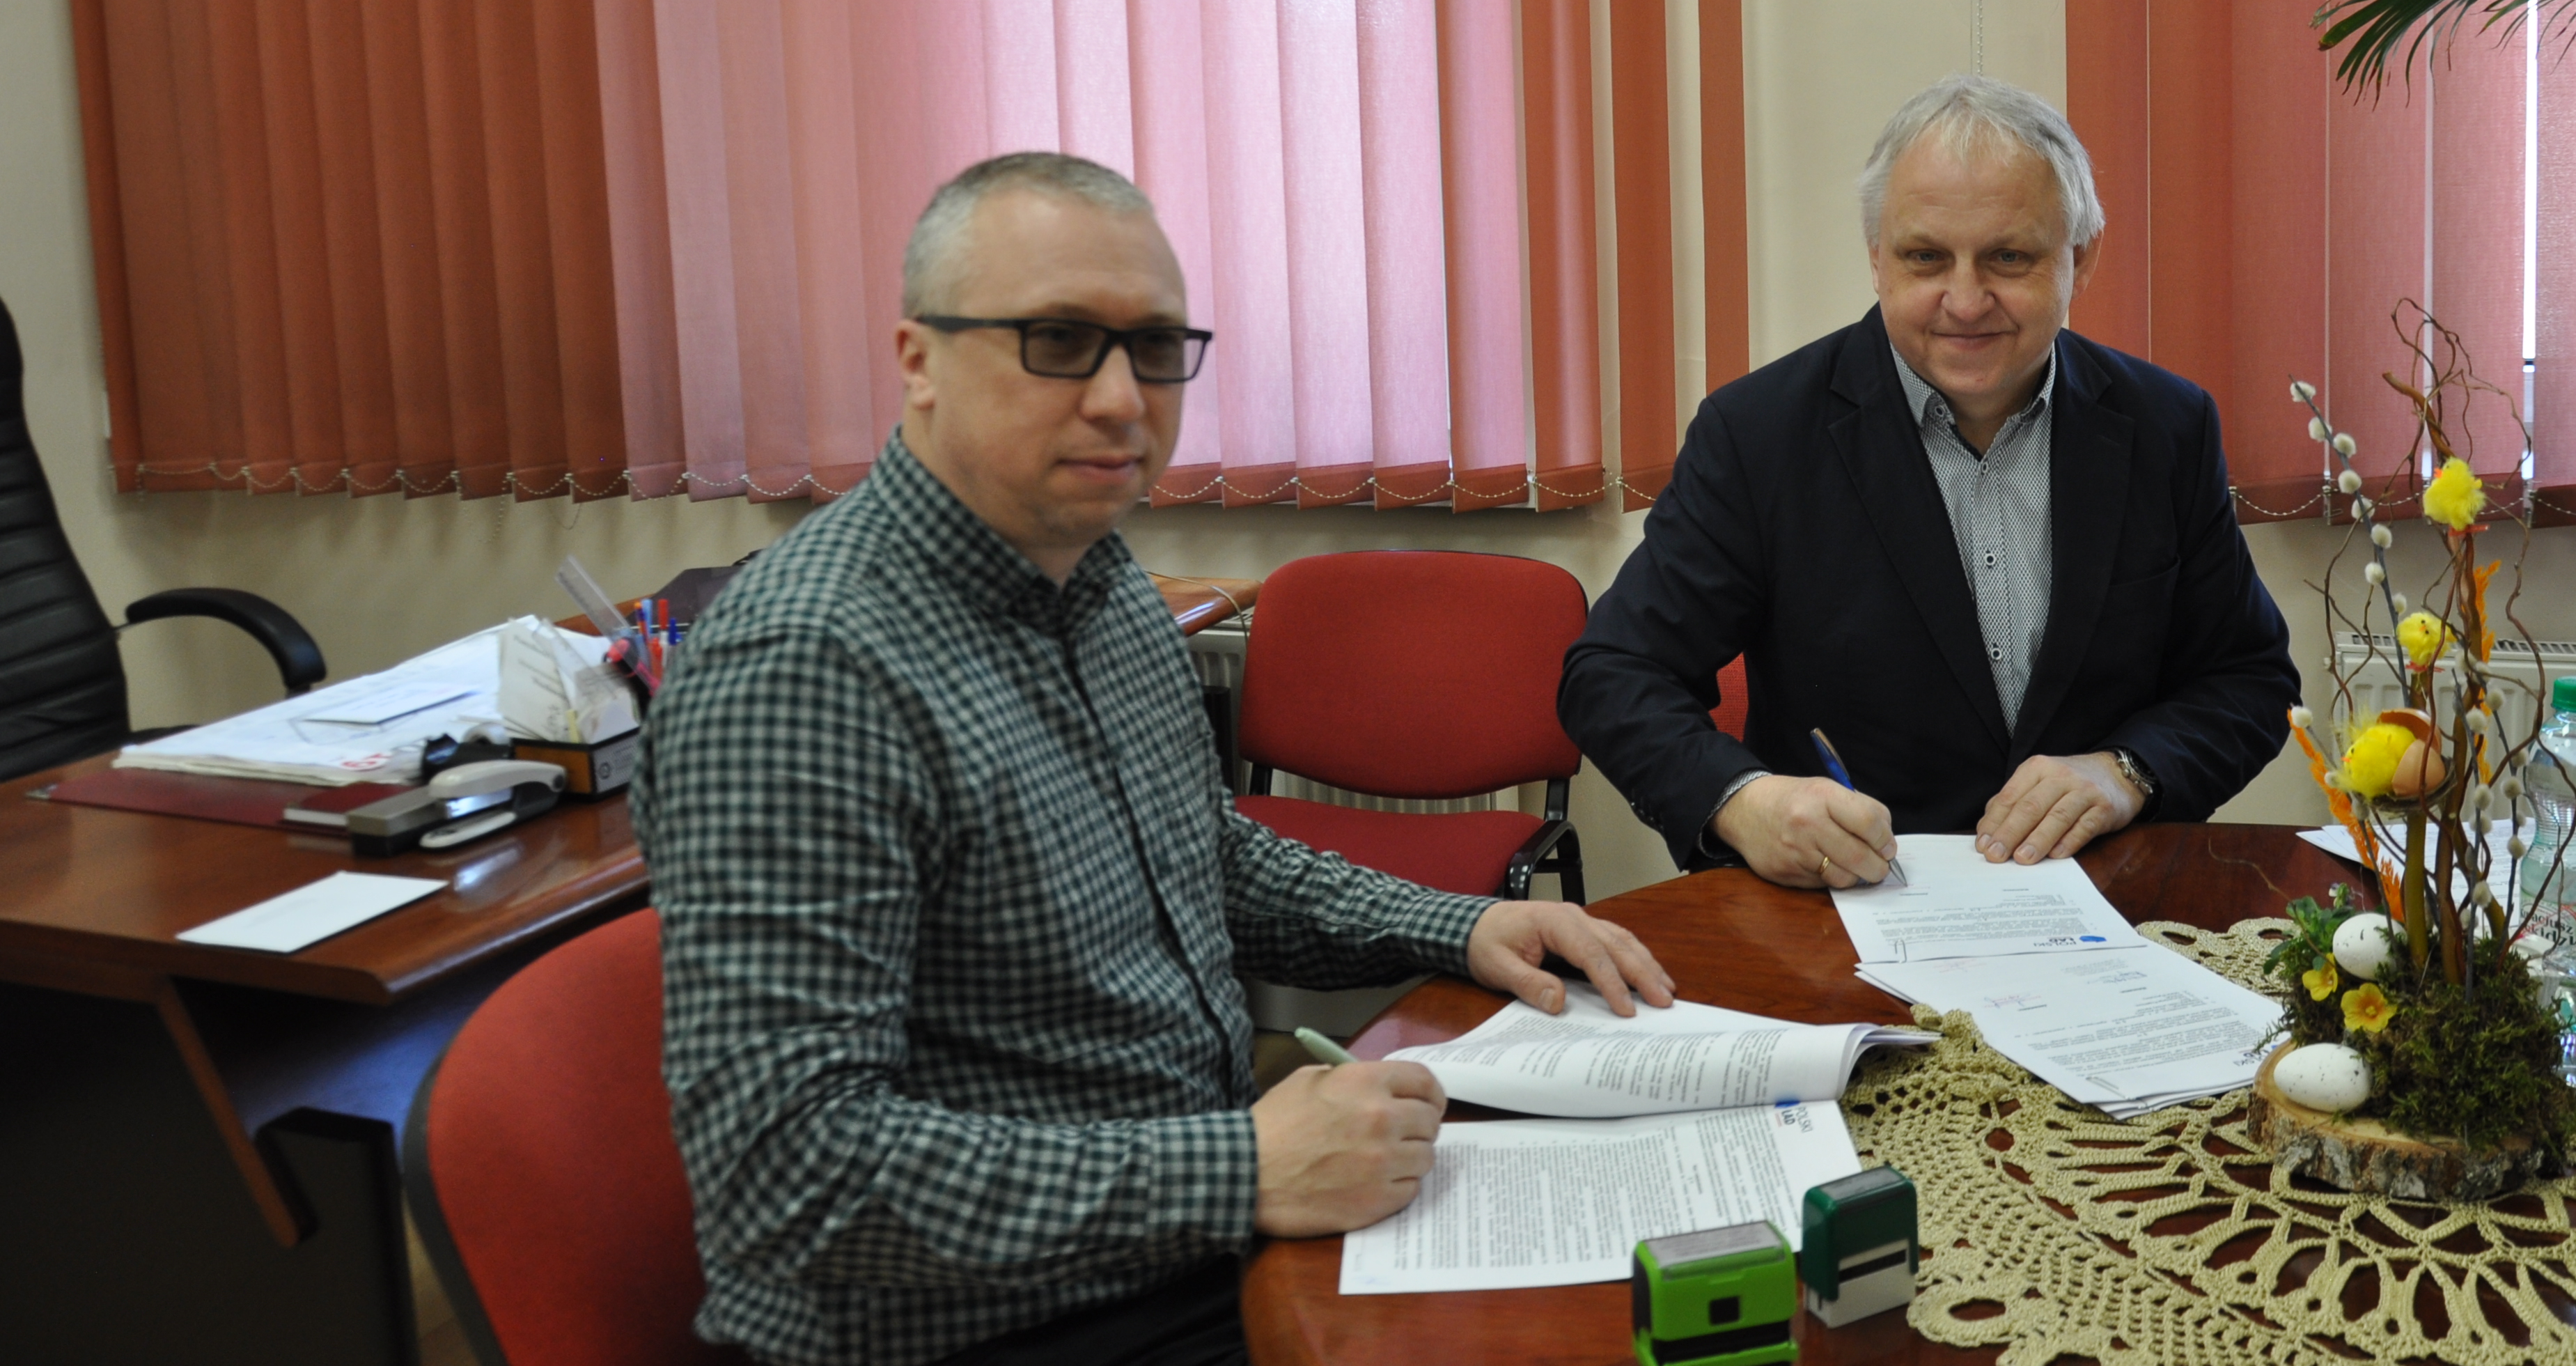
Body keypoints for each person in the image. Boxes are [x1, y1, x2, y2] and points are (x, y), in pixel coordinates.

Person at [636, 151, 1673, 1366]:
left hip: (1171, 1238)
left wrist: (1459, 926)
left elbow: (1202, 860)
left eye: (1155, 346)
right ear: (918, 360)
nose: (1124, 399)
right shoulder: (805, 668)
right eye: (1060, 342)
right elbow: (785, 1173)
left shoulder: (1103, 580)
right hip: (977, 1326)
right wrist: (1242, 1168)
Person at [1559, 76, 2297, 889]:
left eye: (2008, 257)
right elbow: (1614, 672)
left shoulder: (2167, 426)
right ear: (1876, 257)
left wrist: (2131, 770)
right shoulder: (1758, 434)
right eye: (1925, 258)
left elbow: (2247, 677)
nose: (1966, 301)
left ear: (2080, 257)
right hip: (1844, 906)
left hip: (2105, 896)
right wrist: (1742, 800)